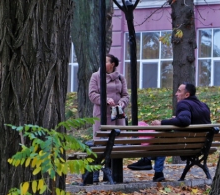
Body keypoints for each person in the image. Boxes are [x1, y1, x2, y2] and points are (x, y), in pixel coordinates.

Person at [128, 82, 211, 182]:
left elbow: (185, 121)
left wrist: (161, 122)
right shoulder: (204, 106)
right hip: (201, 147)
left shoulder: (184, 103)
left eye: (179, 91)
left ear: (187, 95)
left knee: (163, 139)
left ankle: (148, 161)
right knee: (164, 139)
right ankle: (149, 163)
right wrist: (175, 120)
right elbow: (196, 121)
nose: (176, 94)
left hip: (185, 146)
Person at [84, 54, 129, 185]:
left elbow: (126, 95)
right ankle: (95, 174)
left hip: (117, 115)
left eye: (106, 61)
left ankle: (112, 173)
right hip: (101, 114)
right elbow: (92, 94)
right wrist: (105, 99)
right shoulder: (96, 76)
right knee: (100, 143)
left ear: (112, 64)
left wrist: (121, 103)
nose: (102, 63)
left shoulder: (120, 78)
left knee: (116, 143)